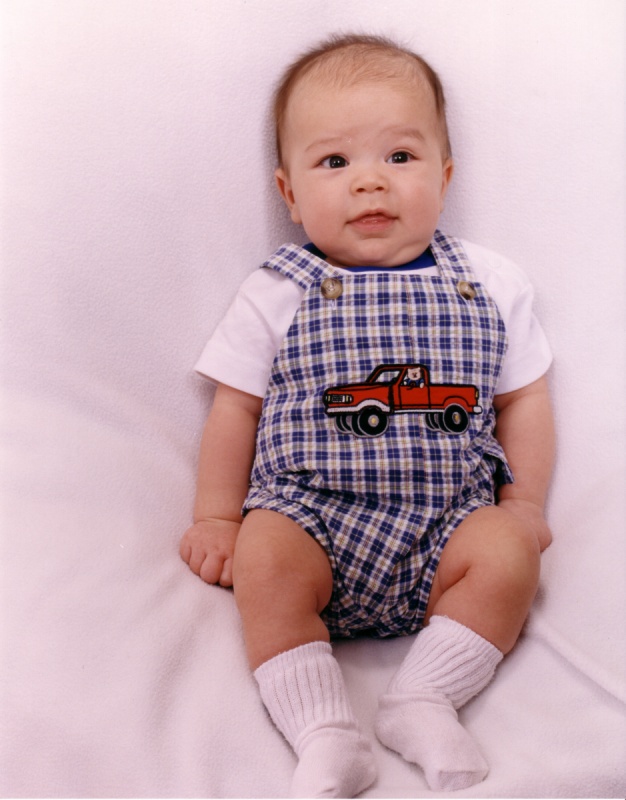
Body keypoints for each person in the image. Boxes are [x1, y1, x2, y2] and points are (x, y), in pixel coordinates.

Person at [180, 33, 555, 797]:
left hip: (448, 523)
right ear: (288, 194)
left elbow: (525, 398)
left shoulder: (489, 284)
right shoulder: (278, 290)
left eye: (400, 156)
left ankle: (425, 698)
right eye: (334, 162)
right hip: (311, 519)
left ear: (444, 177)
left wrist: (522, 504)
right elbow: (236, 408)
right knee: (264, 556)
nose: (370, 182)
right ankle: (321, 731)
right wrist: (217, 516)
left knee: (510, 553)